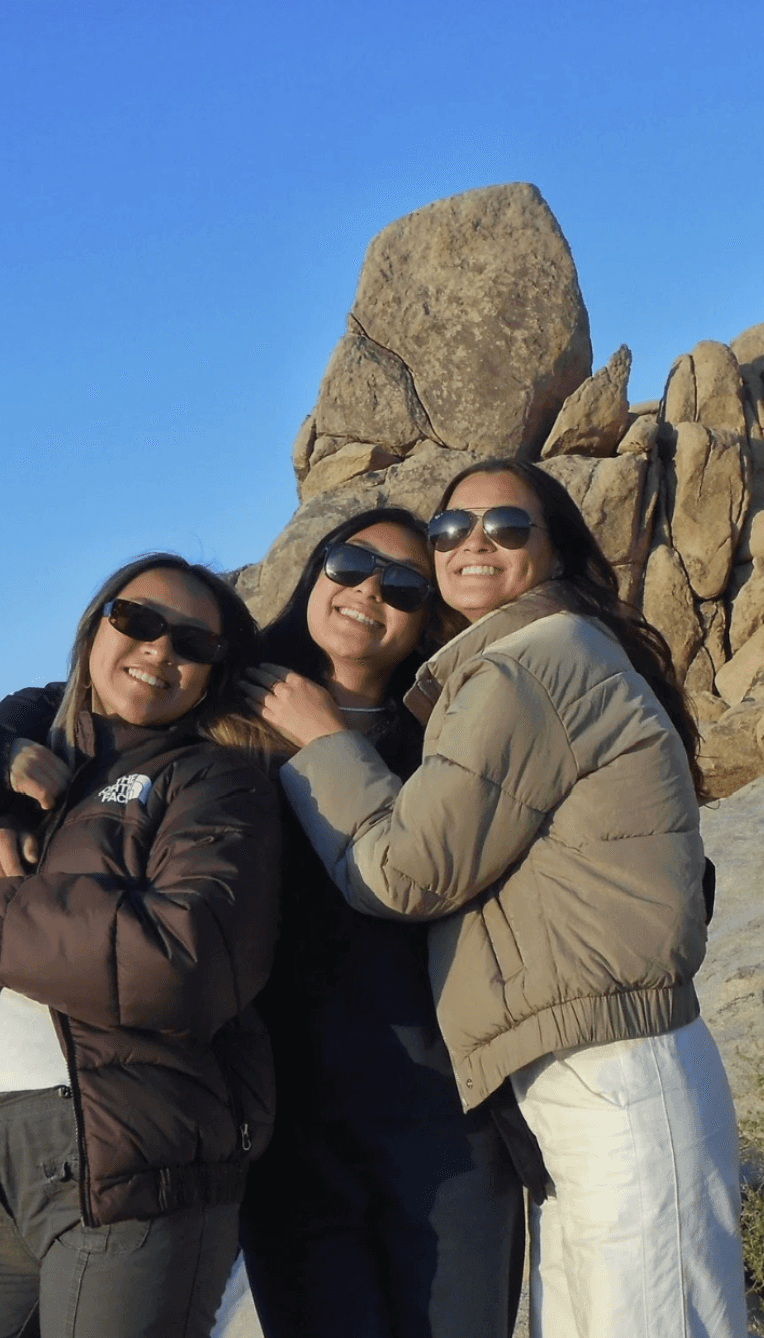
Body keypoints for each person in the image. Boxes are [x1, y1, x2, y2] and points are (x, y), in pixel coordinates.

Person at [248, 462, 745, 1338]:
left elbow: (406, 872)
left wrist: (322, 740)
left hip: (607, 1070)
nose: (472, 543)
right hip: (567, 1075)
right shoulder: (524, 665)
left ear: (555, 550)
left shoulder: (529, 666)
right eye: (451, 529)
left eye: (507, 527)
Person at [0, 553, 282, 1338]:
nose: (159, 649)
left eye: (192, 644)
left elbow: (179, 963)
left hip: (131, 1161)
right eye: (138, 620)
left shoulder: (215, 782)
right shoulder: (21, 762)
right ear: (93, 627)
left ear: (212, 673)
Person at [235, 507, 529, 1338]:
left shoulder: (450, 743)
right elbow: (86, 702)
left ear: (427, 622)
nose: (369, 590)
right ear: (315, 571)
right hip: (287, 1134)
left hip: (447, 1128)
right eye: (350, 563)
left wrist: (326, 736)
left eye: (402, 585)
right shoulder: (223, 721)